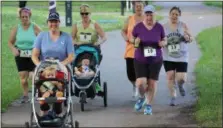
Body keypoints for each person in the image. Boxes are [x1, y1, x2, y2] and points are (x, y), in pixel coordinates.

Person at [32, 11, 74, 116]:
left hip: (60, 66)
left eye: (55, 21)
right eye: (51, 21)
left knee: (60, 80)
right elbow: (34, 55)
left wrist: (62, 64)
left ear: (59, 22)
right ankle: (44, 107)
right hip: (45, 67)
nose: (53, 24)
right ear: (47, 23)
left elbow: (71, 56)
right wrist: (39, 65)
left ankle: (58, 107)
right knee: (41, 79)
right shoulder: (41, 36)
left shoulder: (66, 37)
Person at [132, 5, 166, 115]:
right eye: (147, 15)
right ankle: (142, 98)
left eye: (151, 14)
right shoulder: (138, 27)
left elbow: (164, 39)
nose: (149, 17)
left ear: (154, 15)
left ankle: (148, 105)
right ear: (144, 15)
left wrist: (163, 43)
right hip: (140, 59)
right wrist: (135, 41)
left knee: (152, 83)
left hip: (155, 60)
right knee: (141, 83)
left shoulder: (159, 27)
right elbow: (131, 38)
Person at [8, 7, 41, 103]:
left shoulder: (34, 27)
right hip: (20, 54)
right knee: (23, 78)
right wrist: (13, 49)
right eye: (22, 17)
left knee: (32, 76)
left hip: (33, 54)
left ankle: (38, 92)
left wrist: (38, 50)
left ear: (29, 16)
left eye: (26, 17)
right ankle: (25, 95)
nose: (24, 19)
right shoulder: (16, 28)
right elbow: (10, 42)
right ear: (19, 17)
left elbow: (43, 38)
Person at [71, 4, 107, 93]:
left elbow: (104, 37)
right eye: (82, 14)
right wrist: (76, 42)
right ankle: (77, 79)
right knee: (76, 63)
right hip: (80, 49)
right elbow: (71, 38)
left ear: (89, 14)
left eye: (86, 13)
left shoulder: (94, 24)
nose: (84, 16)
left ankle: (95, 84)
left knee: (93, 65)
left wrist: (97, 43)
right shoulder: (77, 25)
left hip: (92, 49)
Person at [162, 6, 193, 106]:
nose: (174, 16)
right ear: (169, 15)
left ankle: (180, 85)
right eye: (172, 14)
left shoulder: (183, 25)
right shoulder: (163, 27)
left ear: (179, 16)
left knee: (181, 78)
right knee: (170, 77)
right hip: (168, 56)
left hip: (181, 56)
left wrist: (187, 37)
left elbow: (191, 38)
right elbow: (159, 40)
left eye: (176, 14)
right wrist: (163, 42)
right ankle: (173, 97)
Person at [121, 1, 144, 99]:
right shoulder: (129, 19)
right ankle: (134, 85)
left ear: (144, 7)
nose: (138, 8)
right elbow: (123, 31)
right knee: (130, 74)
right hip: (131, 50)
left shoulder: (147, 19)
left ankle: (142, 89)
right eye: (137, 6)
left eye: (140, 6)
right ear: (134, 7)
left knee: (142, 72)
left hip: (143, 50)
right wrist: (126, 37)